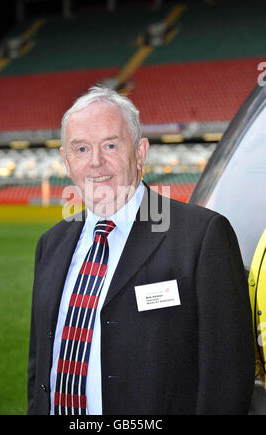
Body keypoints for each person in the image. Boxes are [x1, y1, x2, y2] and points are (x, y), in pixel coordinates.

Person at [27, 85, 255, 415]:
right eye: (80, 149)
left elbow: (227, 376)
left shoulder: (201, 236)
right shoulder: (50, 245)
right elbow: (40, 367)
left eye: (110, 145)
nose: (95, 162)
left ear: (140, 152)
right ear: (65, 160)